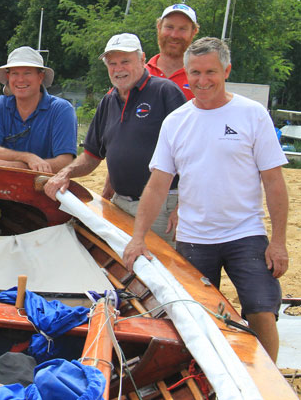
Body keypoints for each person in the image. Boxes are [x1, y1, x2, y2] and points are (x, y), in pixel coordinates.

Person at [122, 37, 289, 361]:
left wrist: (279, 242)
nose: (202, 80)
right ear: (186, 74)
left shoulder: (252, 114)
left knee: (261, 309)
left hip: (245, 232)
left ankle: (269, 384)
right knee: (195, 316)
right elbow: (157, 185)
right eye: (195, 73)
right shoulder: (176, 122)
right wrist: (137, 237)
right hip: (194, 237)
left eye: (210, 71)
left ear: (226, 70)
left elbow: (274, 182)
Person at [43, 34, 186, 244]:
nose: (118, 69)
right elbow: (91, 156)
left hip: (162, 207)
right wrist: (66, 173)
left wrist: (183, 205)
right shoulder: (109, 101)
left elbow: (193, 153)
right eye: (112, 63)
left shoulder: (165, 92)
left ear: (142, 59)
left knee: (160, 273)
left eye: (125, 61)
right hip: (119, 204)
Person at [0, 46, 77, 172]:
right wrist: (27, 157)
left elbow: (65, 162)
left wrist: (17, 166)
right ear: (8, 76)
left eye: (27, 73)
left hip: (45, 185)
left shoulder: (61, 110)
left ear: (40, 77)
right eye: (15, 73)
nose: (21, 79)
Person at [146, 4, 200, 100]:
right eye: (169, 27)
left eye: (182, 29)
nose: (174, 35)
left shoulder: (201, 78)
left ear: (193, 32)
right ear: (159, 27)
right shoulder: (139, 73)